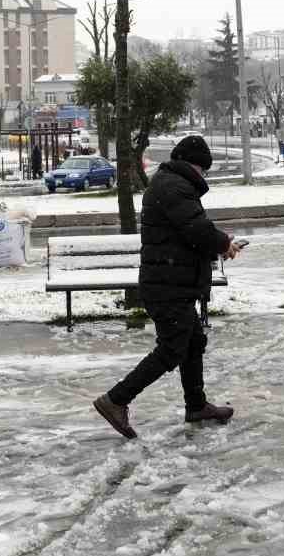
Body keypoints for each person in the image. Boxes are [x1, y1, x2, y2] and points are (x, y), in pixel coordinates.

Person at [94, 135, 243, 439]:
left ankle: (197, 405)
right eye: (204, 170)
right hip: (168, 287)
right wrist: (223, 243)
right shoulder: (174, 186)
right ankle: (116, 399)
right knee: (172, 349)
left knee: (192, 342)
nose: (204, 176)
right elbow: (196, 229)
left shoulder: (170, 183)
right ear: (195, 165)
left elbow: (189, 231)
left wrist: (220, 243)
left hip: (171, 283)